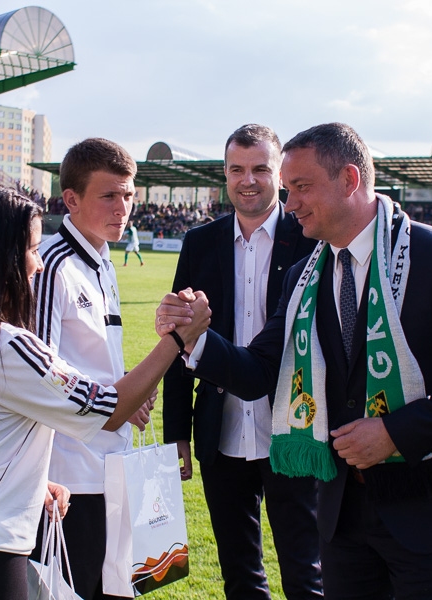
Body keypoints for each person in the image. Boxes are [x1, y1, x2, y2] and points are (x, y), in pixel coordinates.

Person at [158, 123, 432, 600]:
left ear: (349, 180)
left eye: (301, 187)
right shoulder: (303, 275)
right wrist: (197, 340)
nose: (290, 203)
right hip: (342, 512)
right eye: (288, 189)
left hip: (430, 508)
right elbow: (258, 372)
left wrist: (395, 432)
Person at [0, 183, 210, 600]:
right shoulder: (10, 347)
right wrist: (176, 341)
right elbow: (111, 411)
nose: (39, 263)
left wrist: (33, 482)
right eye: (32, 250)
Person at [162, 124, 322, 599]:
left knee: (307, 573)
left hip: (297, 431)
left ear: (279, 174)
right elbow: (179, 339)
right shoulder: (200, 242)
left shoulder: (311, 236)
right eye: (236, 169)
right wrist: (178, 432)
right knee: (239, 574)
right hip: (222, 430)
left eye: (259, 169)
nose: (247, 180)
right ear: (225, 174)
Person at [30, 138, 152, 599]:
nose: (123, 207)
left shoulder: (103, 261)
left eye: (129, 195)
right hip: (69, 477)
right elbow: (39, 376)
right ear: (72, 199)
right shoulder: (52, 266)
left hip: (112, 465)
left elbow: (91, 361)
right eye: (109, 195)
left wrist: (130, 393)